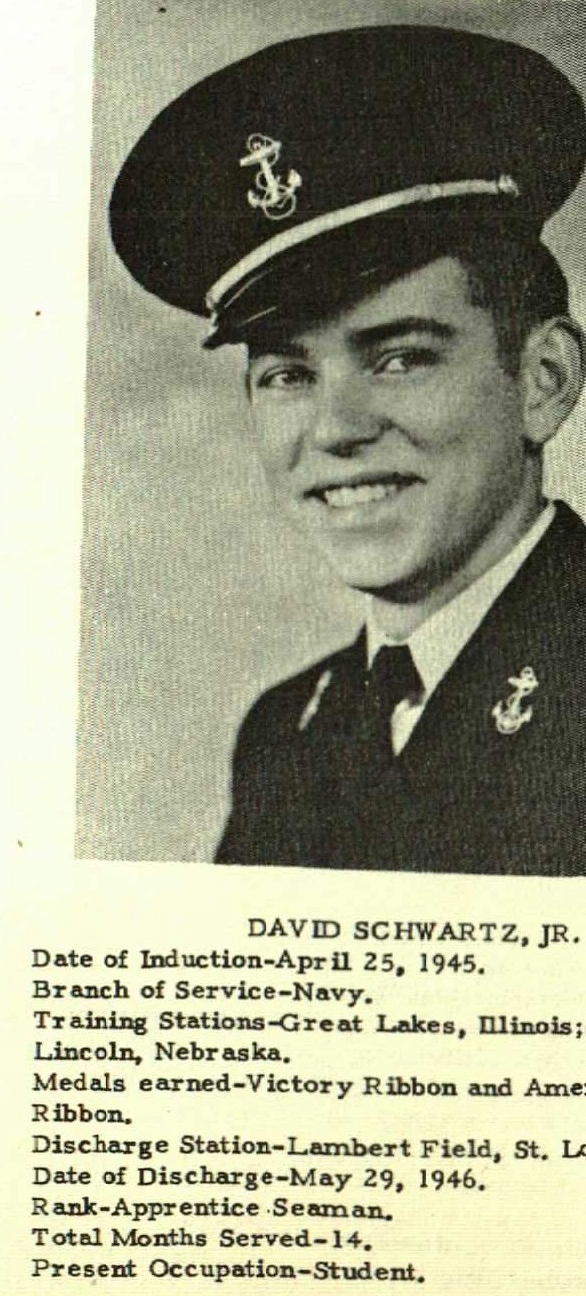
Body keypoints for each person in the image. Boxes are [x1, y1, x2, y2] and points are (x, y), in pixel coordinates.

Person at [110, 25, 586, 874]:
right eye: (288, 375)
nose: (335, 429)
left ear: (543, 381)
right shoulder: (285, 737)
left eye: (400, 358)